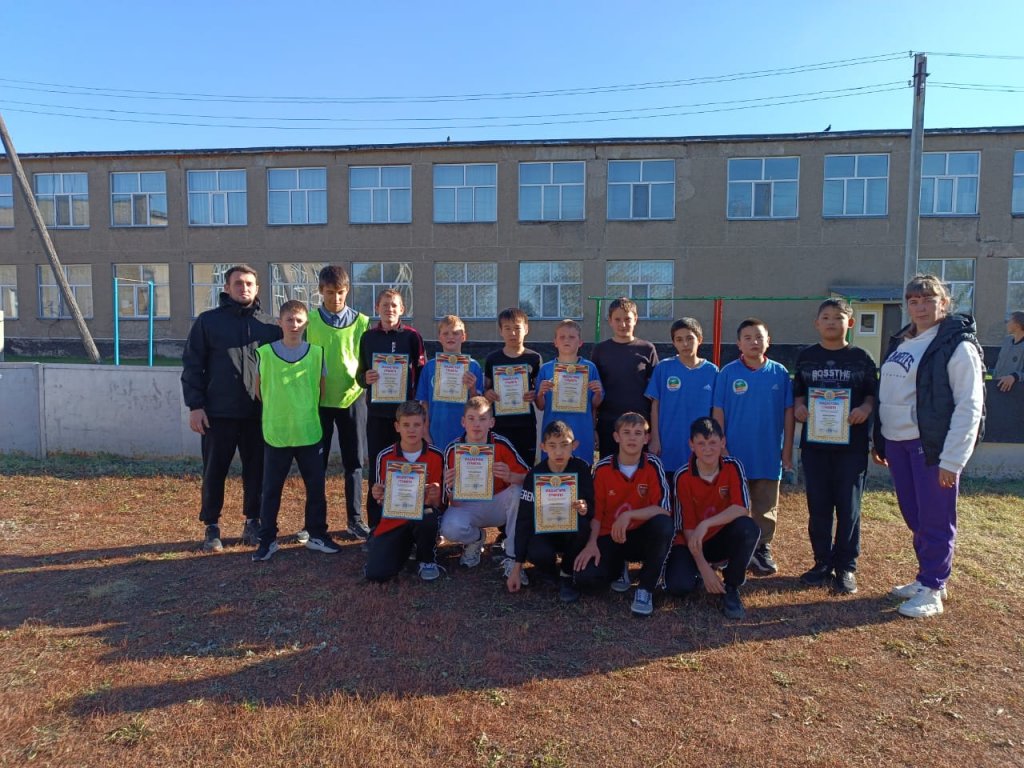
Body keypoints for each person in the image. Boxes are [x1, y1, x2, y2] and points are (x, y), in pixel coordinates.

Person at [873, 274, 985, 619]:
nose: (920, 307)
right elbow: (889, 393)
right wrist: (882, 439)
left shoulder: (957, 345)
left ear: (944, 303)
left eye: (928, 299)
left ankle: (934, 587)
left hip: (931, 446)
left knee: (936, 517)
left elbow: (970, 404)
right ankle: (928, 576)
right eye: (914, 300)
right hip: (898, 443)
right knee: (915, 515)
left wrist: (953, 458)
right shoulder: (902, 341)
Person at [181, 264, 282, 552]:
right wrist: (196, 406)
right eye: (238, 283)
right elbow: (192, 365)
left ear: (257, 288)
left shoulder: (270, 327)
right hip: (218, 413)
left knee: (257, 470)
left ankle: (253, 521)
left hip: (257, 414)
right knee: (215, 470)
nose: (244, 288)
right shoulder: (208, 322)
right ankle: (211, 526)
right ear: (227, 288)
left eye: (249, 283)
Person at [792, 298, 877, 594]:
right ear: (817, 323)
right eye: (826, 317)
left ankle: (846, 566)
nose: (831, 322)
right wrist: (799, 407)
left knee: (848, 507)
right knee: (818, 507)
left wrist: (865, 408)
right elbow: (798, 392)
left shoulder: (861, 357)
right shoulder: (806, 357)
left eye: (838, 317)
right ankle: (822, 562)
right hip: (815, 445)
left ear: (849, 323)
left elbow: (872, 394)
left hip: (851, 446)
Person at [251, 301, 340, 561]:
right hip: (277, 432)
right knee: (271, 489)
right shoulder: (264, 353)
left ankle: (317, 534)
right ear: (280, 322)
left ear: (306, 324)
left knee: (316, 488)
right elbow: (258, 391)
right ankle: (268, 539)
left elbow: (321, 390)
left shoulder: (316, 353)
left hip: (308, 431)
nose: (294, 325)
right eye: (289, 319)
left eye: (299, 320)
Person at [712, 318, 794, 576]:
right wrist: (720, 446)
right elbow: (718, 411)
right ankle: (729, 548)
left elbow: (789, 413)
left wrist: (787, 450)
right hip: (734, 453)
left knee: (765, 505)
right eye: (747, 338)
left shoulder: (780, 373)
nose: (754, 342)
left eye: (759, 337)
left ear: (768, 341)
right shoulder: (728, 373)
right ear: (738, 343)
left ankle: (761, 548)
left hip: (768, 453)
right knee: (731, 502)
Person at [574, 412, 674, 617]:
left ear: (646, 438)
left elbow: (664, 508)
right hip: (611, 536)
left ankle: (645, 588)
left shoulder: (653, 464)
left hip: (640, 537)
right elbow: (596, 513)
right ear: (616, 437)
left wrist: (629, 515)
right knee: (586, 579)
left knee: (663, 524)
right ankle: (619, 567)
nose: (632, 438)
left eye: (638, 433)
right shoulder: (602, 468)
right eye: (626, 432)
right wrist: (591, 543)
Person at [665, 418, 760, 620]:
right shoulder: (682, 476)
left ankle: (731, 586)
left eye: (713, 443)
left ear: (723, 442)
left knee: (748, 528)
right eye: (701, 443)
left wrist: (706, 523)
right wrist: (703, 566)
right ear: (691, 445)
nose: (707, 449)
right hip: (692, 542)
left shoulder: (733, 466)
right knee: (678, 587)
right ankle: (700, 573)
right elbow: (688, 529)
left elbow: (742, 508)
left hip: (718, 537)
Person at [305, 265, 371, 541]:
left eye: (341, 292)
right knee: (315, 465)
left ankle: (355, 520)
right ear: (321, 291)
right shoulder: (309, 321)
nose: (336, 298)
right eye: (330, 292)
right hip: (318, 401)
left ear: (348, 291)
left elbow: (367, 360)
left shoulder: (362, 322)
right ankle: (313, 523)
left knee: (354, 463)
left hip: (352, 398)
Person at [356, 289, 426, 530]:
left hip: (406, 417)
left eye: (394, 305)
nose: (390, 309)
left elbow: (421, 373)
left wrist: (419, 409)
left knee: (407, 468)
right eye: (385, 305)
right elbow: (359, 374)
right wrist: (365, 378)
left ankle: (407, 523)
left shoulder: (412, 337)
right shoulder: (368, 337)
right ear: (377, 308)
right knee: (378, 468)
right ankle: (376, 526)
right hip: (377, 415)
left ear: (402, 309)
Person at [506, 420, 595, 603]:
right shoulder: (535, 475)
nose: (559, 452)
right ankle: (549, 571)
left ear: (574, 445)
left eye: (564, 445)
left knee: (583, 525)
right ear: (543, 447)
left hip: (571, 533)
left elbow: (593, 506)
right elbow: (524, 520)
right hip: (545, 532)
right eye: (552, 446)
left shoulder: (582, 469)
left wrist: (585, 508)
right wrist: (517, 567)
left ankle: (567, 571)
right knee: (537, 551)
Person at [440, 396, 530, 570]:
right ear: (463, 422)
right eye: (471, 418)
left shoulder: (501, 444)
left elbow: (529, 477)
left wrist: (510, 476)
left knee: (519, 492)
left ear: (491, 422)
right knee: (450, 527)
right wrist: (450, 488)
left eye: (482, 419)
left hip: (498, 504)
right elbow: (454, 502)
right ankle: (476, 538)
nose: (477, 424)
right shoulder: (453, 449)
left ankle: (512, 555)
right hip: (468, 505)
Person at [365, 401, 445, 582]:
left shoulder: (436, 455)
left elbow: (438, 505)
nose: (411, 430)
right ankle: (406, 546)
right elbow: (383, 501)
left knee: (428, 517)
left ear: (424, 425)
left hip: (423, 516)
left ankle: (427, 559)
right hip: (395, 519)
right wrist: (378, 494)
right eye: (406, 425)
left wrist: (435, 494)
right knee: (376, 574)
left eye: (417, 425)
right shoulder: (385, 456)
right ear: (397, 427)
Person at [646, 317, 718, 476]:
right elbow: (655, 406)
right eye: (679, 339)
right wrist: (655, 439)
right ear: (674, 343)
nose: (685, 344)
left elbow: (717, 411)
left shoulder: (712, 371)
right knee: (669, 486)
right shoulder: (664, 368)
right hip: (669, 443)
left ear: (700, 340)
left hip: (701, 446)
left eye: (689, 338)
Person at [592, 297, 658, 458]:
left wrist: (654, 433)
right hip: (609, 424)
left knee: (640, 470)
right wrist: (592, 427)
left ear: (635, 319)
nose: (623, 324)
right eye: (617, 319)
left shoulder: (647, 349)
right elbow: (593, 393)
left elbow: (656, 396)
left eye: (627, 319)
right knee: (610, 469)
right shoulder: (600, 350)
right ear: (610, 321)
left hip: (640, 425)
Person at [536, 319, 604, 463]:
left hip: (581, 430)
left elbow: (595, 404)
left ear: (580, 342)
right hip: (553, 432)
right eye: (562, 337)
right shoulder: (546, 369)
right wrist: (540, 393)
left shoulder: (590, 368)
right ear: (555, 342)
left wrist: (598, 393)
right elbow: (540, 405)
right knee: (553, 471)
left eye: (572, 337)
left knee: (582, 468)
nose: (567, 340)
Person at [483, 307, 543, 466]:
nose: (513, 333)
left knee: (525, 467)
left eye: (517, 328)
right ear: (500, 331)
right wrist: (487, 395)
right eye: (507, 328)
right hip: (499, 424)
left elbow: (539, 396)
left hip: (525, 425)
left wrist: (534, 394)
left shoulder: (534, 358)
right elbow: (485, 391)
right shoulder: (492, 359)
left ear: (526, 329)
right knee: (498, 468)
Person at [415, 314, 483, 451]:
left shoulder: (473, 366)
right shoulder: (429, 367)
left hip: (465, 432)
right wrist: (425, 431)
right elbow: (424, 403)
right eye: (445, 333)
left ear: (463, 337)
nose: (450, 337)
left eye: (455, 333)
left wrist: (472, 388)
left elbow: (479, 405)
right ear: (439, 338)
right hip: (436, 431)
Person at [993, 310, 1024, 392]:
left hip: (1016, 393)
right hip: (997, 388)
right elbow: (999, 364)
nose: (1006, 323)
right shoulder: (1007, 340)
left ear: (1017, 325)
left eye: (1009, 320)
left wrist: (1014, 377)